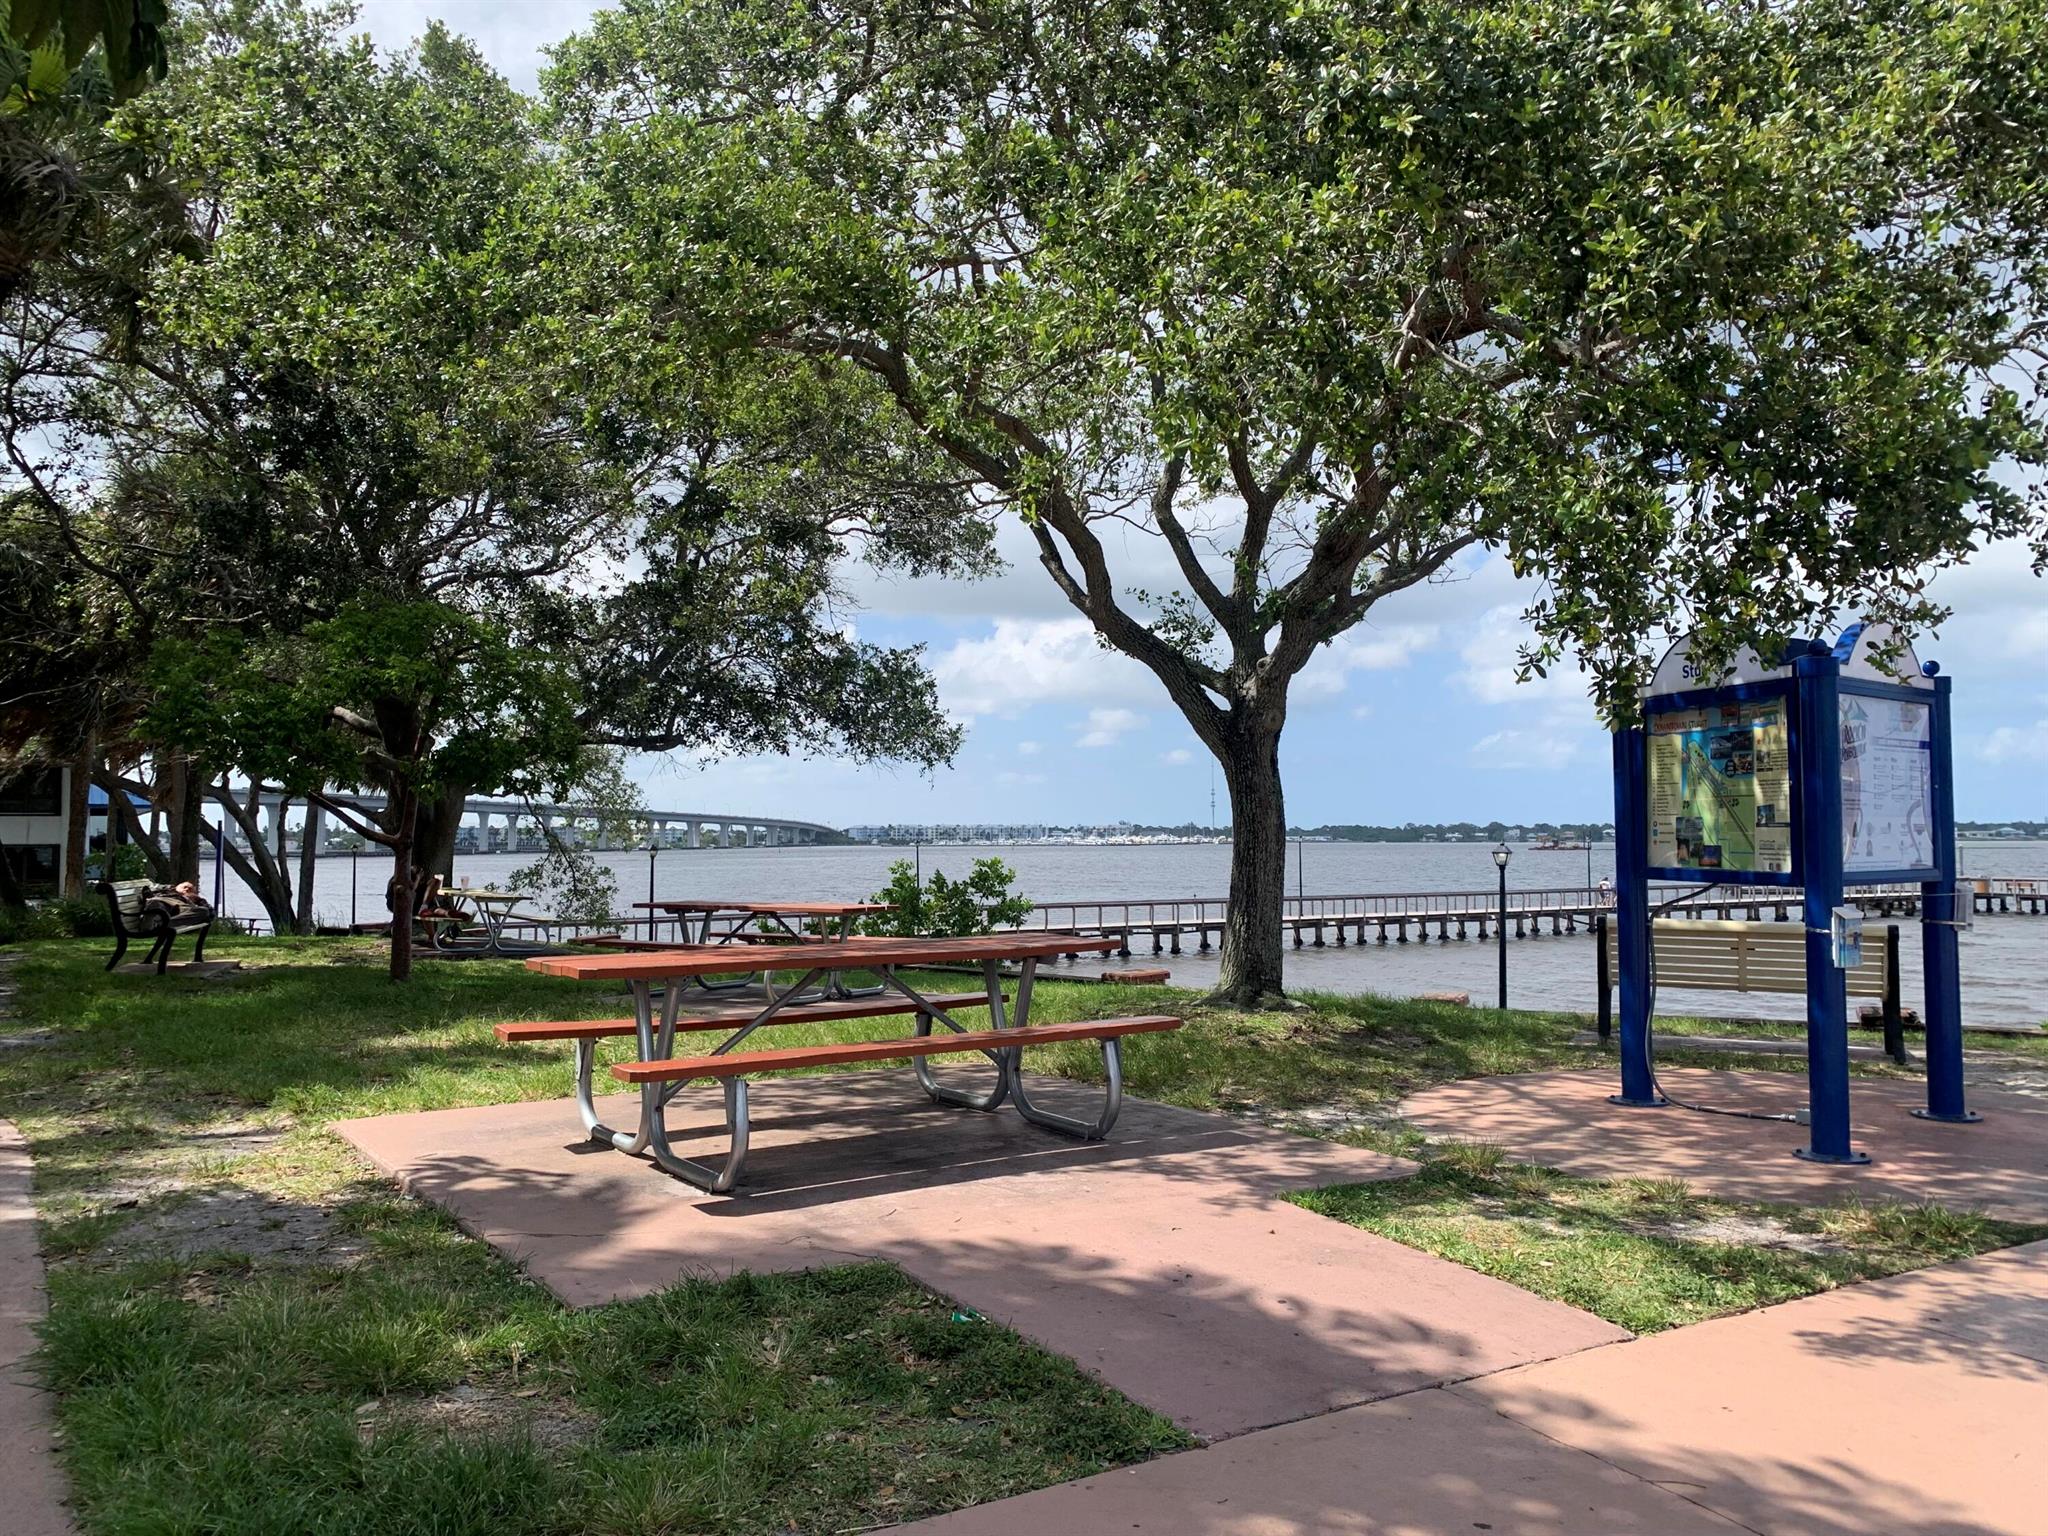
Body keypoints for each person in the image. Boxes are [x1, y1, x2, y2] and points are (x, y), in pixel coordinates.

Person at [143, 879, 213, 928]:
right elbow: (149, 888)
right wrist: (168, 888)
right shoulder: (166, 890)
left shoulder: (191, 901)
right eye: (185, 887)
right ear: (177, 886)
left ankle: (162, 925)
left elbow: (211, 913)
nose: (186, 889)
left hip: (177, 912)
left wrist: (199, 900)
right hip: (161, 902)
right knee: (156, 903)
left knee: (204, 911)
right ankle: (151, 925)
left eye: (190, 890)